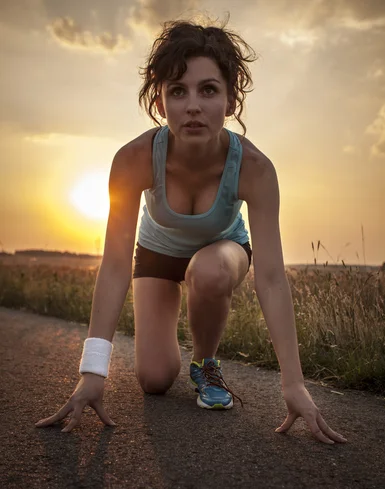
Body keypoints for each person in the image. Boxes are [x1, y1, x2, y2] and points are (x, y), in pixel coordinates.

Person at [35, 17, 347, 445]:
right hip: (157, 253)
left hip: (223, 252)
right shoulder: (133, 159)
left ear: (231, 101)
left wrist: (293, 384)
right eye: (177, 91)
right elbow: (112, 267)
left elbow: (272, 279)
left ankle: (205, 363)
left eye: (208, 90)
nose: (193, 105)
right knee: (155, 378)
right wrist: (92, 373)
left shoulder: (255, 169)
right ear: (161, 102)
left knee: (209, 270)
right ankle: (174, 362)